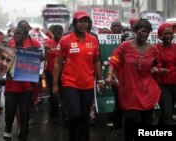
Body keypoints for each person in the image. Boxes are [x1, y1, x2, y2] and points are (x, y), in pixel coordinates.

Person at [105, 19, 162, 141]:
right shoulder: (125, 46)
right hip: (129, 89)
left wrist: (156, 69)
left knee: (146, 121)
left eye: (147, 32)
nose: (145, 34)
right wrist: (110, 75)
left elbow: (157, 65)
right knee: (132, 119)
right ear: (135, 31)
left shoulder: (153, 49)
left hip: (147, 90)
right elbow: (113, 60)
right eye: (142, 31)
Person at [52, 11, 104, 141]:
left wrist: (100, 80)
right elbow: (58, 63)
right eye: (80, 21)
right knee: (75, 114)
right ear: (74, 23)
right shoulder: (65, 40)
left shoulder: (93, 40)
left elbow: (97, 61)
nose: (83, 24)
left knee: (85, 117)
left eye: (85, 21)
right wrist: (54, 85)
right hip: (70, 83)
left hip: (87, 84)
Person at [3, 26, 41, 141]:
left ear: (25, 36)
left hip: (26, 90)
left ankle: (23, 137)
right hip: (11, 88)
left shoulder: (30, 49)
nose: (16, 35)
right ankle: (8, 128)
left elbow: (36, 65)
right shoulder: (10, 47)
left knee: (25, 115)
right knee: (10, 113)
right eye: (15, 33)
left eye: (19, 33)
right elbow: (3, 66)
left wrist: (40, 58)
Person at [154, 22, 176, 125]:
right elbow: (150, 65)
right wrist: (158, 69)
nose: (169, 36)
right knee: (168, 112)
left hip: (175, 83)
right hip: (161, 84)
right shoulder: (155, 48)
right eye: (166, 33)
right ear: (160, 35)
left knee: (166, 111)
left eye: (171, 33)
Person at [44, 24, 63, 119]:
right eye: (56, 32)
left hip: (63, 72)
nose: (58, 33)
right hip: (50, 72)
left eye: (60, 32)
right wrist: (45, 50)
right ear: (53, 32)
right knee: (53, 93)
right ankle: (53, 113)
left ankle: (65, 114)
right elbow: (43, 57)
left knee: (63, 93)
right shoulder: (47, 42)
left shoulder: (65, 42)